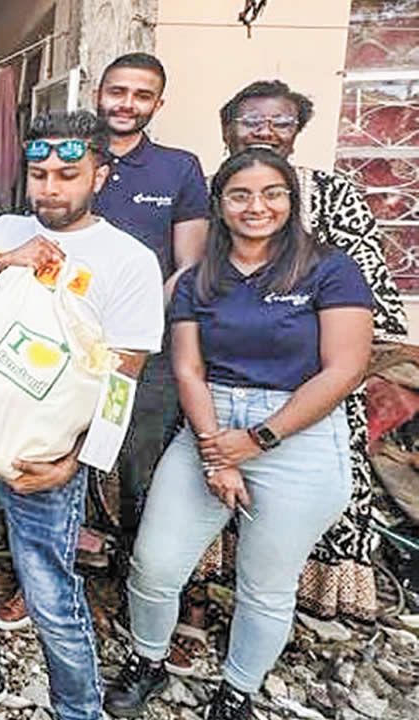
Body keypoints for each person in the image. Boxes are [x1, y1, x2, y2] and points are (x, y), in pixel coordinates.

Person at [104, 148, 373, 720]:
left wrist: (260, 439)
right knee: (154, 563)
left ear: (291, 200)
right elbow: (187, 369)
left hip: (298, 431)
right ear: (219, 205)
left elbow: (345, 370)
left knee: (266, 583)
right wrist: (217, 453)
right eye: (240, 195)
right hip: (210, 422)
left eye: (272, 193)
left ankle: (237, 692)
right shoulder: (199, 278)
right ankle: (148, 659)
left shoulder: (329, 269)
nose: (257, 207)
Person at [0, 110, 163, 720]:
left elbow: (122, 382)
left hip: (44, 455)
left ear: (100, 175)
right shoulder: (5, 230)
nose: (50, 189)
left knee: (49, 592)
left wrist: (74, 465)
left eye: (67, 175)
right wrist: (3, 262)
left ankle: (78, 709)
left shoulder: (130, 260)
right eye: (39, 174)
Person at [172, 79, 410, 669]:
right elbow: (189, 281)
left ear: (298, 130)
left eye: (280, 122)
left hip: (308, 389)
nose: (265, 132)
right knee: (196, 501)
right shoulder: (206, 193)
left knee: (281, 530)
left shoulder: (332, 195)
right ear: (227, 129)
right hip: (215, 382)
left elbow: (368, 308)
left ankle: (259, 636)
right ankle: (195, 612)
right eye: (251, 121)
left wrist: (324, 378)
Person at [91, 52, 210, 562]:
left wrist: (134, 321)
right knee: (61, 446)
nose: (127, 103)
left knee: (140, 460)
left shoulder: (178, 168)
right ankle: (61, 561)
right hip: (67, 338)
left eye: (142, 96)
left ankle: (134, 569)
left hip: (148, 347)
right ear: (98, 94)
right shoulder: (72, 157)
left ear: (158, 104)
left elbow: (190, 264)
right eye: (117, 91)